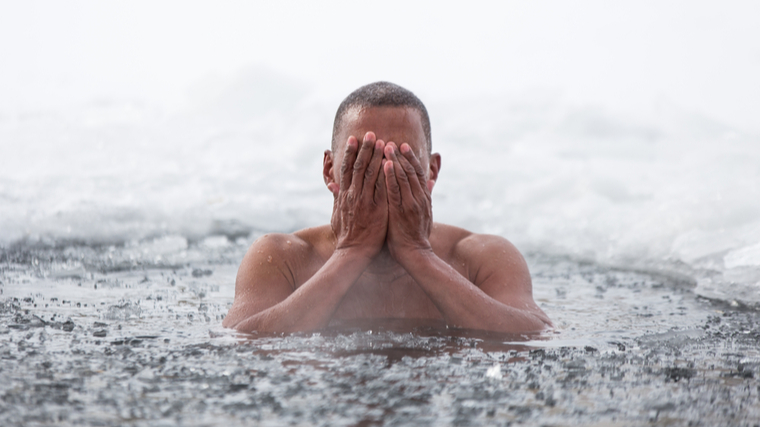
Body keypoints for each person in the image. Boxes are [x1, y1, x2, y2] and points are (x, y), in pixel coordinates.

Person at [223, 82, 552, 334]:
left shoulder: (482, 257)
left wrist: (418, 253)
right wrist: (351, 252)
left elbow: (536, 336)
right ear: (329, 169)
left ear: (431, 171)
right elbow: (239, 344)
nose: (382, 173)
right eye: (363, 160)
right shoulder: (282, 257)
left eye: (401, 159)